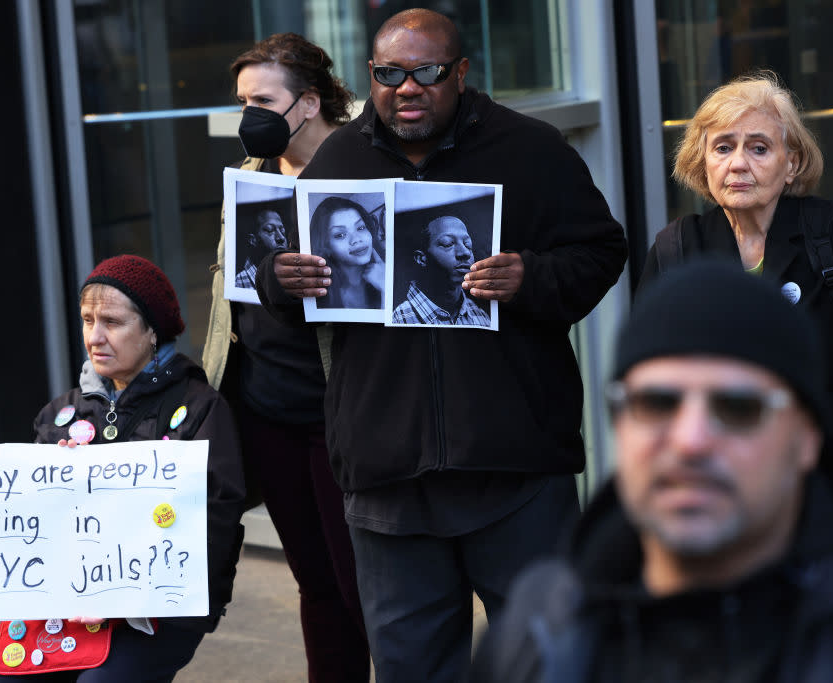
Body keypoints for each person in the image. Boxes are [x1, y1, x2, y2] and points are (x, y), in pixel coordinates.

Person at [256, 9, 627, 682]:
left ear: (460, 72)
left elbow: (602, 250)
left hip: (516, 469)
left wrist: (530, 277)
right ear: (371, 76)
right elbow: (285, 305)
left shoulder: (532, 150)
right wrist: (284, 283)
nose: (408, 87)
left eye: (427, 72)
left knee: (556, 664)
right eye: (390, 74)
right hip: (386, 478)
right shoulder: (337, 163)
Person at [470, 261, 833, 683]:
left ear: (807, 439)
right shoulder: (539, 633)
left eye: (738, 408)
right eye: (657, 404)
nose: (691, 440)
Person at [639, 70, 833, 519]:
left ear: (792, 162)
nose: (738, 163)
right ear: (703, 161)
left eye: (759, 148)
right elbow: (648, 378)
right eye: (723, 147)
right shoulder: (677, 248)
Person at [0, 254, 246, 682]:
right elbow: (28, 525)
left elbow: (214, 523)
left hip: (158, 614)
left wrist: (133, 594)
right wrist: (55, 485)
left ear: (152, 331)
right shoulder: (62, 412)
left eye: (113, 322)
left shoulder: (199, 408)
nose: (95, 336)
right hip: (69, 607)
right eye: (88, 320)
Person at [200, 33, 371, 682]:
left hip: (344, 413)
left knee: (363, 581)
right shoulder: (248, 177)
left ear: (308, 102)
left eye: (262, 99)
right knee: (315, 580)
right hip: (268, 410)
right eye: (242, 100)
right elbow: (228, 293)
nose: (250, 115)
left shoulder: (361, 170)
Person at [392, 215, 491, 326]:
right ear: (421, 259)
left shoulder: (481, 317)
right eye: (448, 243)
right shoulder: (397, 319)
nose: (465, 252)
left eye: (467, 245)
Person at [308, 196, 385, 310]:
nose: (356, 239)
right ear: (326, 247)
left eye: (361, 227)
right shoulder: (319, 295)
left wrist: (385, 286)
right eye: (340, 235)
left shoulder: (393, 269)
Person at [235, 208, 287, 289]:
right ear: (253, 240)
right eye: (270, 230)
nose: (281, 237)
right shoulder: (239, 284)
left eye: (282, 230)